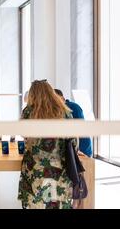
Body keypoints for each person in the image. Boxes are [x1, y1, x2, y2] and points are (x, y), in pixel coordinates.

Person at [18, 80, 74, 209]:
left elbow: (22, 133)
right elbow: (72, 140)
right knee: (56, 201)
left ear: (33, 95)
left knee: (35, 201)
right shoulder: (64, 111)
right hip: (59, 166)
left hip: (35, 167)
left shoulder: (29, 111)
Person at [55, 89, 93, 157]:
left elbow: (81, 130)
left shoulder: (72, 107)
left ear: (62, 98)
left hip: (82, 148)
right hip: (76, 148)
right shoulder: (65, 108)